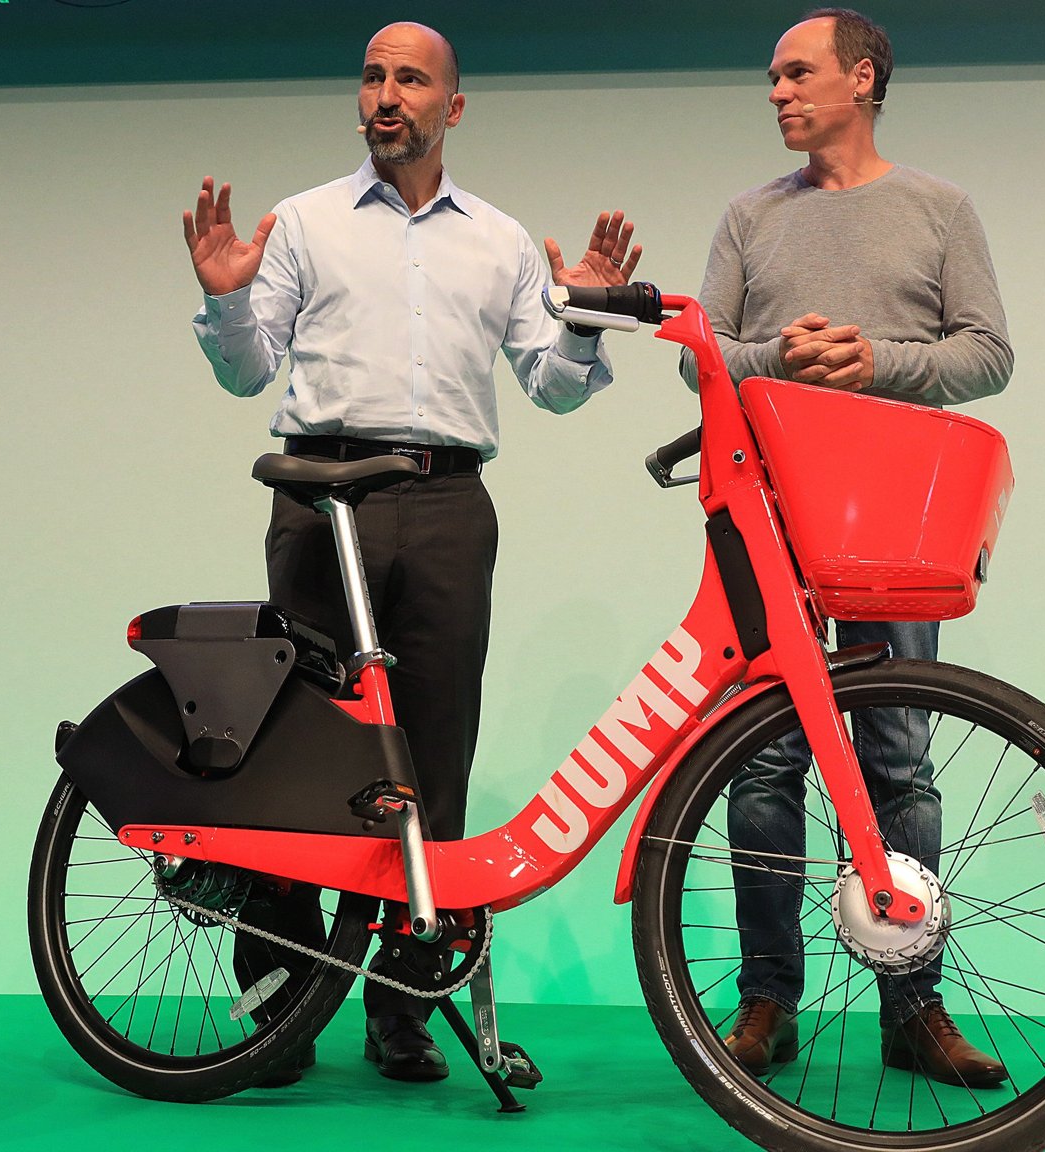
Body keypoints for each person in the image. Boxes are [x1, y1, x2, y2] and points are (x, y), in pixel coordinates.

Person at [185, 21, 641, 1085]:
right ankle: (275, 1011)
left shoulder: (497, 238)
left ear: (452, 106)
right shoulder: (301, 222)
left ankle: (403, 1011)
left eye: (410, 79)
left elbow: (554, 389)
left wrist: (579, 316)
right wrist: (221, 293)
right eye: (372, 76)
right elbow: (245, 375)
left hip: (444, 508)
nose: (385, 94)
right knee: (298, 751)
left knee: (433, 760)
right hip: (317, 497)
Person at [689, 8, 1014, 1087]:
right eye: (770, 78)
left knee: (895, 757)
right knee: (764, 760)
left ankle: (912, 1007)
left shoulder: (938, 209)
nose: (776, 92)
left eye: (795, 73)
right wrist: (775, 358)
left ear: (861, 78)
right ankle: (763, 1001)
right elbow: (702, 361)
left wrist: (873, 360)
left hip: (893, 520)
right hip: (772, 519)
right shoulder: (745, 218)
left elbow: (985, 355)